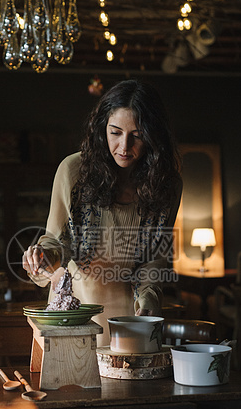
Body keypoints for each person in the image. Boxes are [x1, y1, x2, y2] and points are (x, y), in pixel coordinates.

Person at [22, 79, 182, 346]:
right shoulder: (73, 171)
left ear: (154, 136)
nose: (124, 146)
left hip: (130, 320)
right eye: (115, 132)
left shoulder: (167, 184)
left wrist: (150, 298)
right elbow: (55, 240)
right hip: (72, 314)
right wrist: (43, 257)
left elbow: (155, 257)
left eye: (138, 135)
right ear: (102, 128)